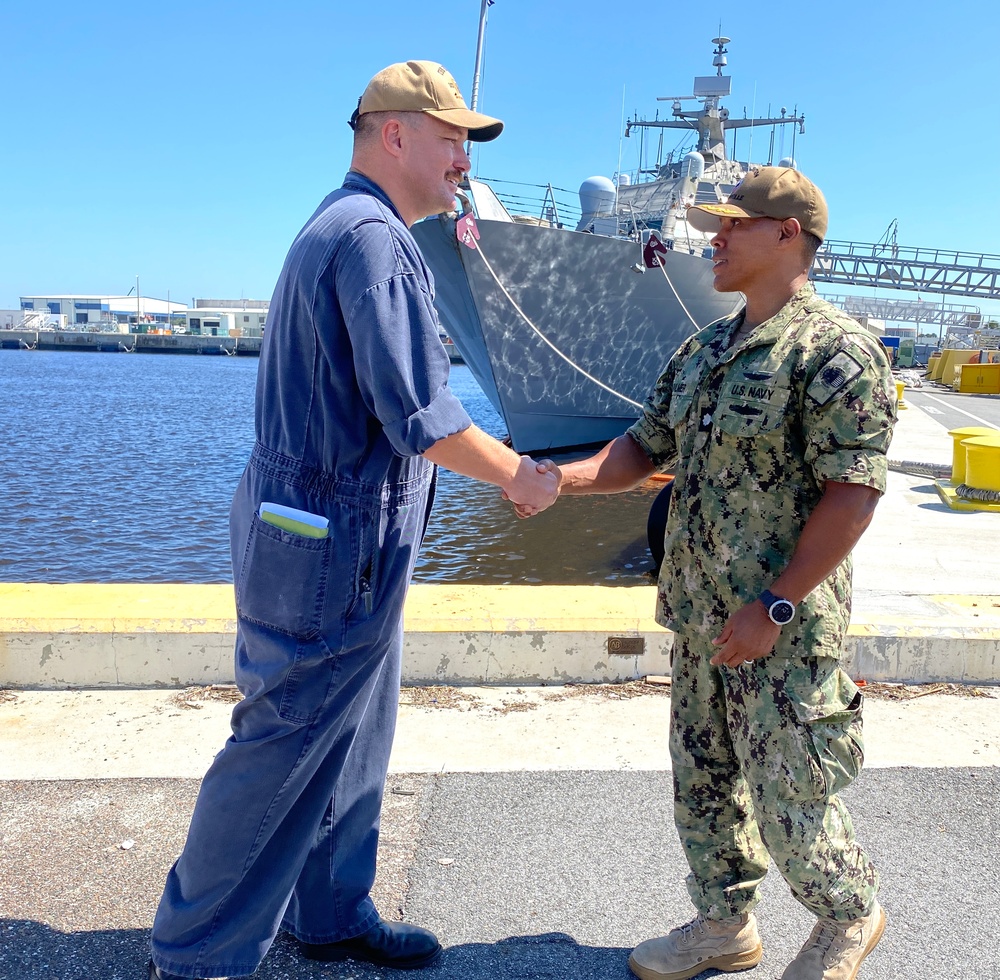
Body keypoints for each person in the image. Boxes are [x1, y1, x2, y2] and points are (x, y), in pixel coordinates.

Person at [148, 60, 559, 980]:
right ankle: (194, 955)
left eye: (468, 140)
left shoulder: (359, 229)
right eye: (451, 135)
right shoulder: (369, 238)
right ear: (393, 132)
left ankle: (331, 910)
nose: (464, 155)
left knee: (354, 730)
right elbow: (427, 418)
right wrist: (521, 479)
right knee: (284, 741)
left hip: (339, 534)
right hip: (333, 542)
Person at [535, 167, 896, 980]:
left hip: (779, 628)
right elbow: (642, 447)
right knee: (702, 782)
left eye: (734, 224)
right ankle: (723, 925)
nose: (715, 238)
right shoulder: (705, 350)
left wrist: (773, 605)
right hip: (699, 616)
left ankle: (848, 916)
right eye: (716, 224)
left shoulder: (836, 353)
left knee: (788, 791)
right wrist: (563, 480)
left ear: (787, 235)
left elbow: (852, 496)